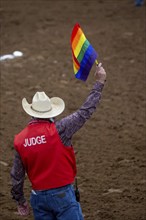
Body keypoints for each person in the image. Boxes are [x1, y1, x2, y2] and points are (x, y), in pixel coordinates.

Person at [10, 63, 106, 220]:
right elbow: (85, 111)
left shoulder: (20, 140)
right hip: (62, 195)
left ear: (32, 113)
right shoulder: (60, 129)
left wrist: (20, 201)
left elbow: (16, 176)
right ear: (50, 113)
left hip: (38, 198)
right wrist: (100, 82)